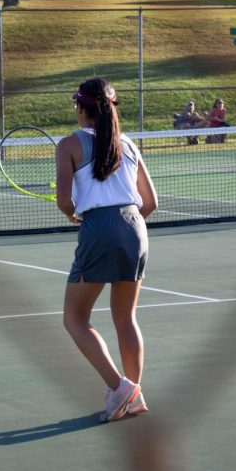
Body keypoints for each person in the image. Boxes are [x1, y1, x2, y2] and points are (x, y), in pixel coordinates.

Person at [55, 78, 158, 423]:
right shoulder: (128, 144)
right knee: (126, 317)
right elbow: (151, 203)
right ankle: (134, 394)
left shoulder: (69, 144)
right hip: (136, 227)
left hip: (100, 229)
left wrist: (78, 215)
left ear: (83, 108)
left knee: (75, 318)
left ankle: (119, 388)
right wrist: (123, 225)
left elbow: (64, 202)